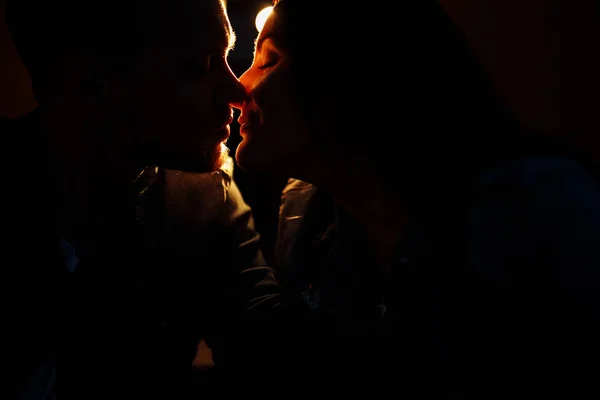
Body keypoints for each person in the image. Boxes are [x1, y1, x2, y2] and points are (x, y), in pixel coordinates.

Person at [233, 0, 600, 396]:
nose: (239, 87)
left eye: (268, 61)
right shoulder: (305, 216)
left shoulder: (541, 205)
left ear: (351, 74)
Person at [4, 0, 280, 398]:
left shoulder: (204, 195)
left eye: (225, 55)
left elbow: (264, 342)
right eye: (198, 67)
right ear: (91, 84)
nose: (236, 91)